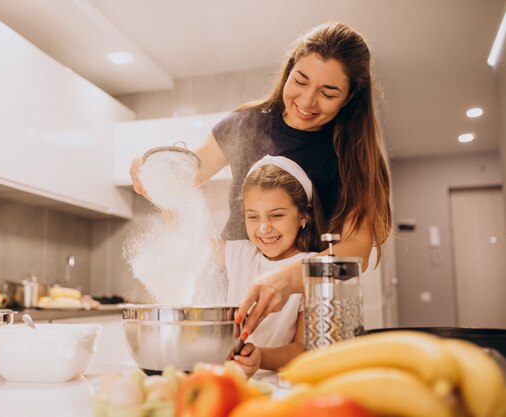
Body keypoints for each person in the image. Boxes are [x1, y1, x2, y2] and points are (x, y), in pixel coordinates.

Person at [130, 22, 391, 338]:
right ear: (289, 69)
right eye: (300, 81)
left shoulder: (354, 155)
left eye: (328, 92)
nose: (307, 102)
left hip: (313, 308)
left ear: (349, 97)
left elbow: (357, 250)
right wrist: (155, 171)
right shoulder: (244, 124)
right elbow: (185, 176)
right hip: (231, 299)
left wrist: (285, 278)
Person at [223, 155, 325, 377]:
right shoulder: (241, 253)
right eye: (253, 217)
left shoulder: (310, 269)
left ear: (303, 216)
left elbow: (302, 349)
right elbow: (188, 239)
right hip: (230, 381)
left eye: (276, 215)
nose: (263, 229)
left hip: (281, 386)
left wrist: (259, 357)